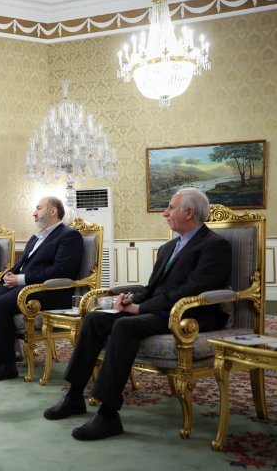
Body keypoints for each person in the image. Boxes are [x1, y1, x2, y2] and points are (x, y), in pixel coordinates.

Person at [44, 188, 232, 441]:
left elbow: (193, 290)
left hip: (190, 316)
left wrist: (141, 309)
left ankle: (108, 414)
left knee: (125, 326)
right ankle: (74, 396)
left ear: (189, 212)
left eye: (170, 207)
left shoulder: (215, 246)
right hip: (160, 309)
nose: (165, 212)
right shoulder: (169, 247)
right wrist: (131, 299)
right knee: (96, 318)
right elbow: (152, 288)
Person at [0, 196, 83, 381]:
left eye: (38, 208)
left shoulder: (69, 236)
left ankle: (6, 365)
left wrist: (21, 279)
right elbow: (22, 264)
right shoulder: (37, 237)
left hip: (49, 291)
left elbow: (61, 271)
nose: (34, 213)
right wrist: (8, 275)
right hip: (24, 287)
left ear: (53, 211)